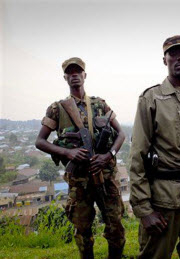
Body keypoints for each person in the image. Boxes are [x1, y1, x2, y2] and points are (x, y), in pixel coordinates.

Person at [129, 35, 180, 259]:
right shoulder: (151, 98)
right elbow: (137, 155)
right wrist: (144, 209)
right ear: (164, 59)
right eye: (174, 54)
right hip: (162, 200)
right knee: (155, 255)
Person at [35, 57, 126, 259]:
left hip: (106, 177)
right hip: (79, 181)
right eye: (70, 72)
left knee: (116, 227)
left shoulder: (100, 105)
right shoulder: (57, 108)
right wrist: (68, 153)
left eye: (78, 71)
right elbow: (40, 141)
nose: (74, 75)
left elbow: (121, 134)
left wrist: (108, 155)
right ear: (65, 78)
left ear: (85, 75)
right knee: (83, 231)